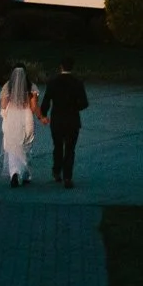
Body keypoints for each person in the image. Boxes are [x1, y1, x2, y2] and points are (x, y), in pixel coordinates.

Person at [38, 57, 88, 189]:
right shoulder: (77, 83)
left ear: (61, 67)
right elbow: (84, 103)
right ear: (72, 67)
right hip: (72, 120)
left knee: (58, 146)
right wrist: (74, 107)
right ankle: (67, 176)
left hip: (57, 120)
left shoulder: (53, 82)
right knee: (70, 149)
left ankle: (56, 170)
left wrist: (43, 114)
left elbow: (46, 101)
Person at [0, 63, 42, 188]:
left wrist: (5, 113)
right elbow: (33, 107)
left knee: (13, 146)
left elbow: (3, 105)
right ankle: (25, 173)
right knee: (25, 145)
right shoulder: (31, 86)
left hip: (12, 116)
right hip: (26, 116)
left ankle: (14, 173)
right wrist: (41, 117)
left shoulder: (8, 86)